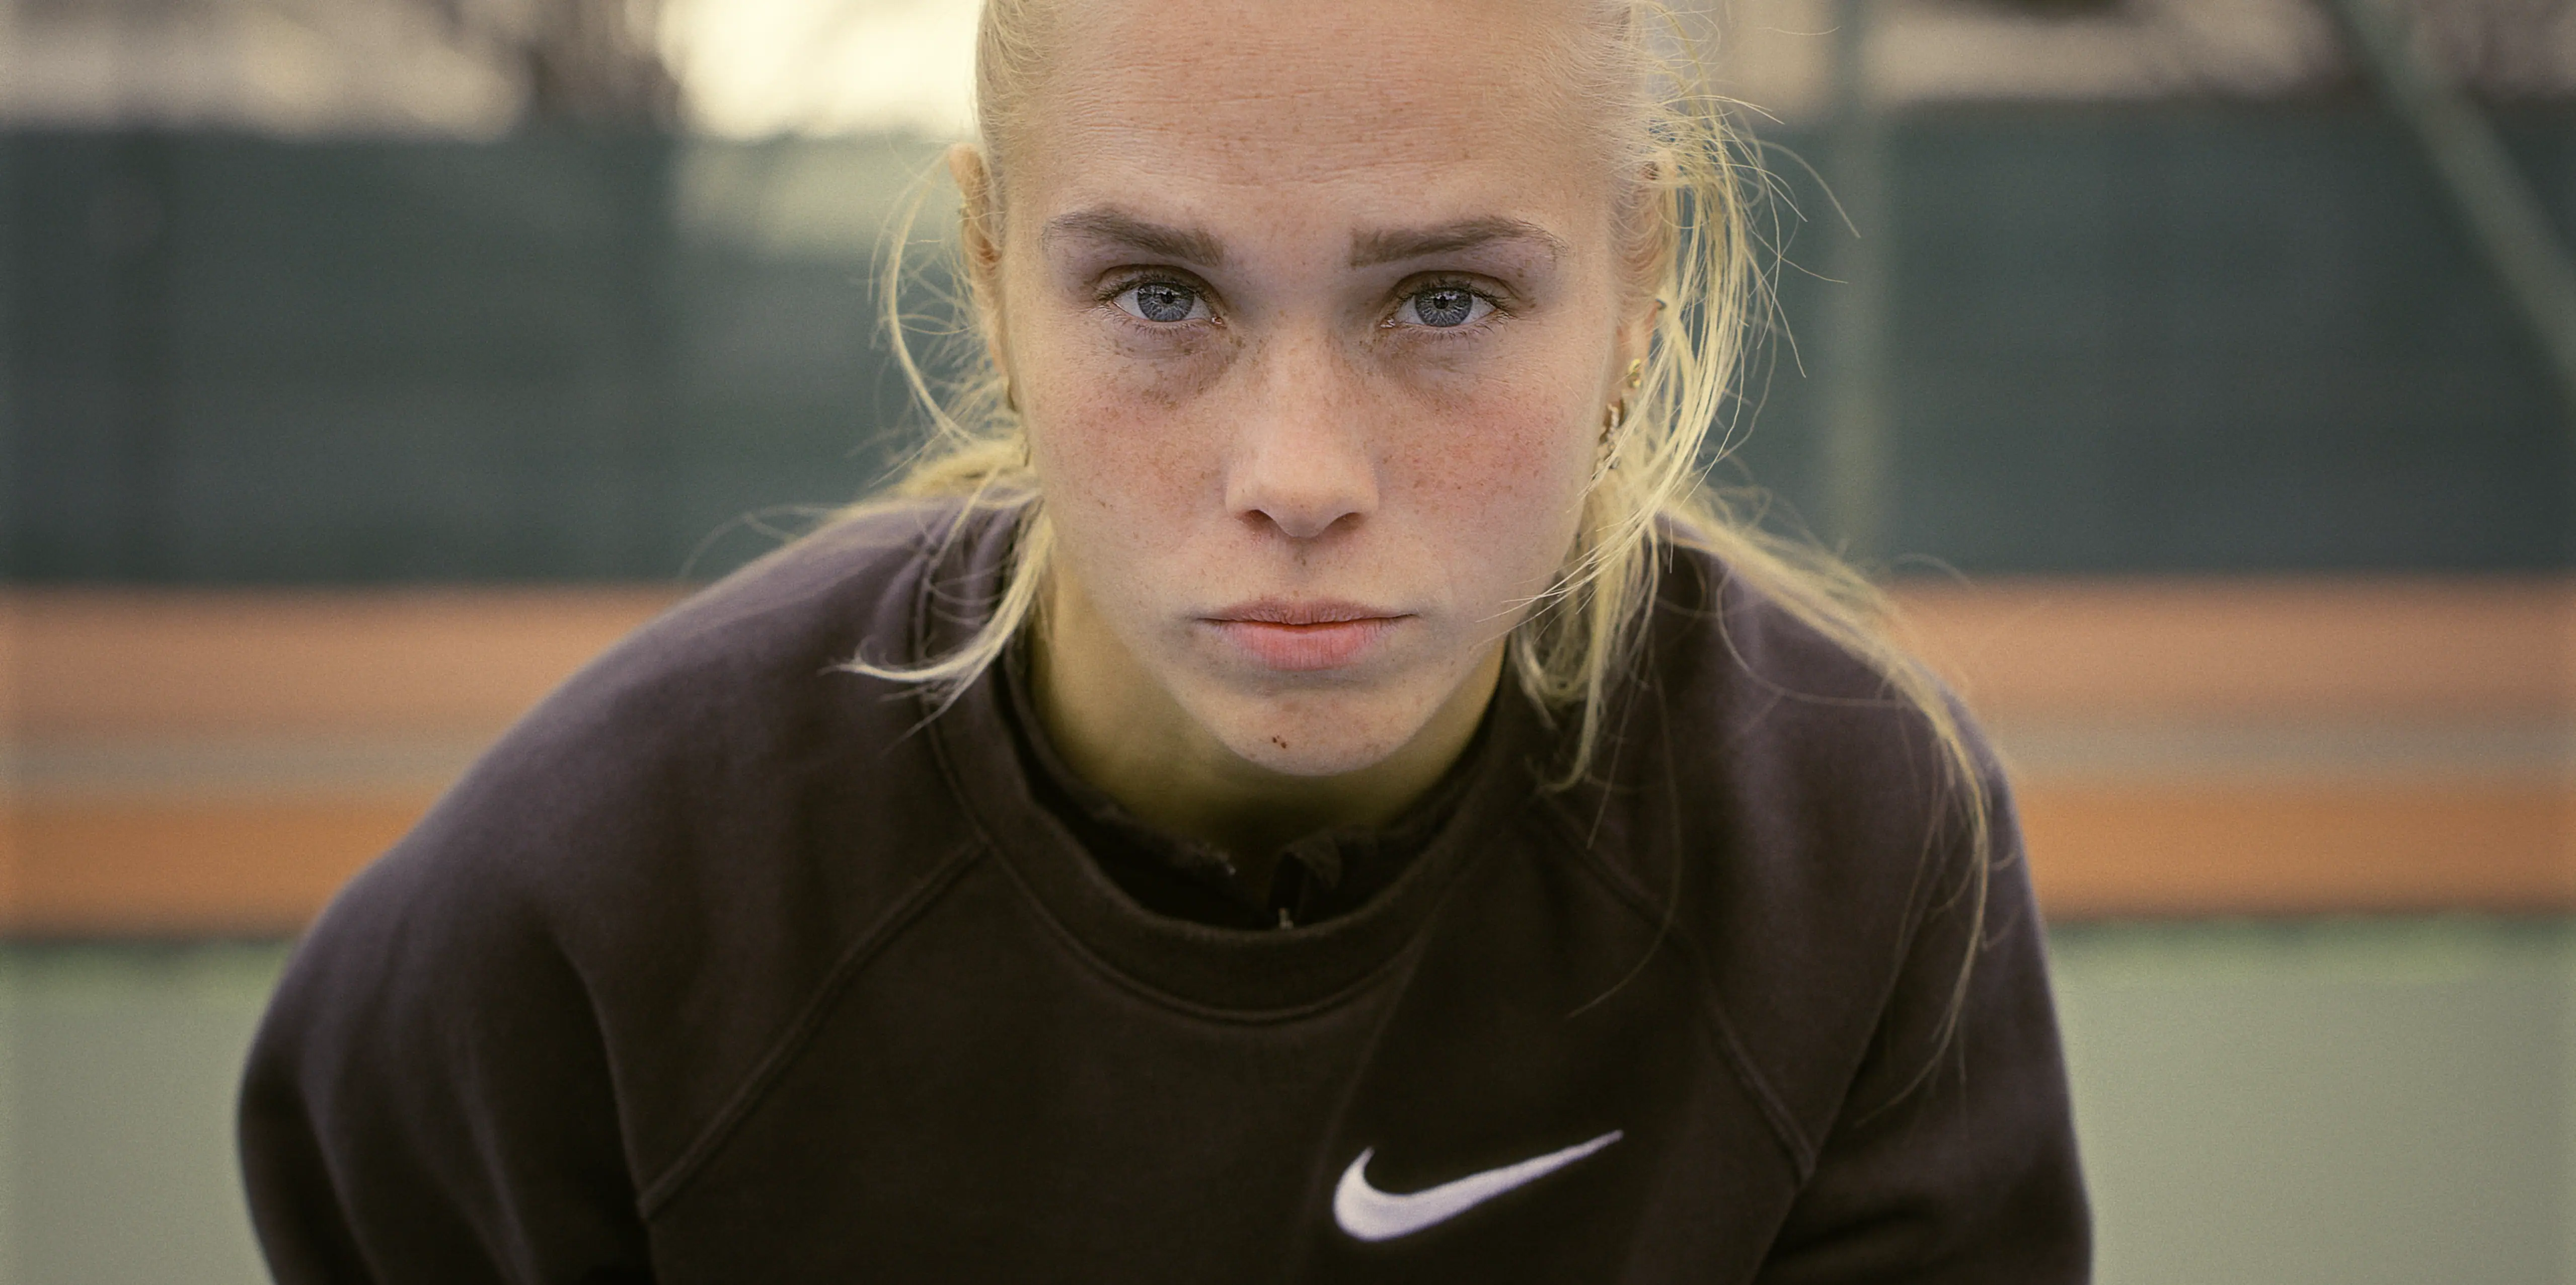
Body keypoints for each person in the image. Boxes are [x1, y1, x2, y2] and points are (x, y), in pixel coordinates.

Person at [238, 0, 2090, 1278]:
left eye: (1442, 298)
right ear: (989, 271)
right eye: (1157, 292)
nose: (1297, 474)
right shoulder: (582, 910)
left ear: (1639, 283)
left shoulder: (1856, 853)